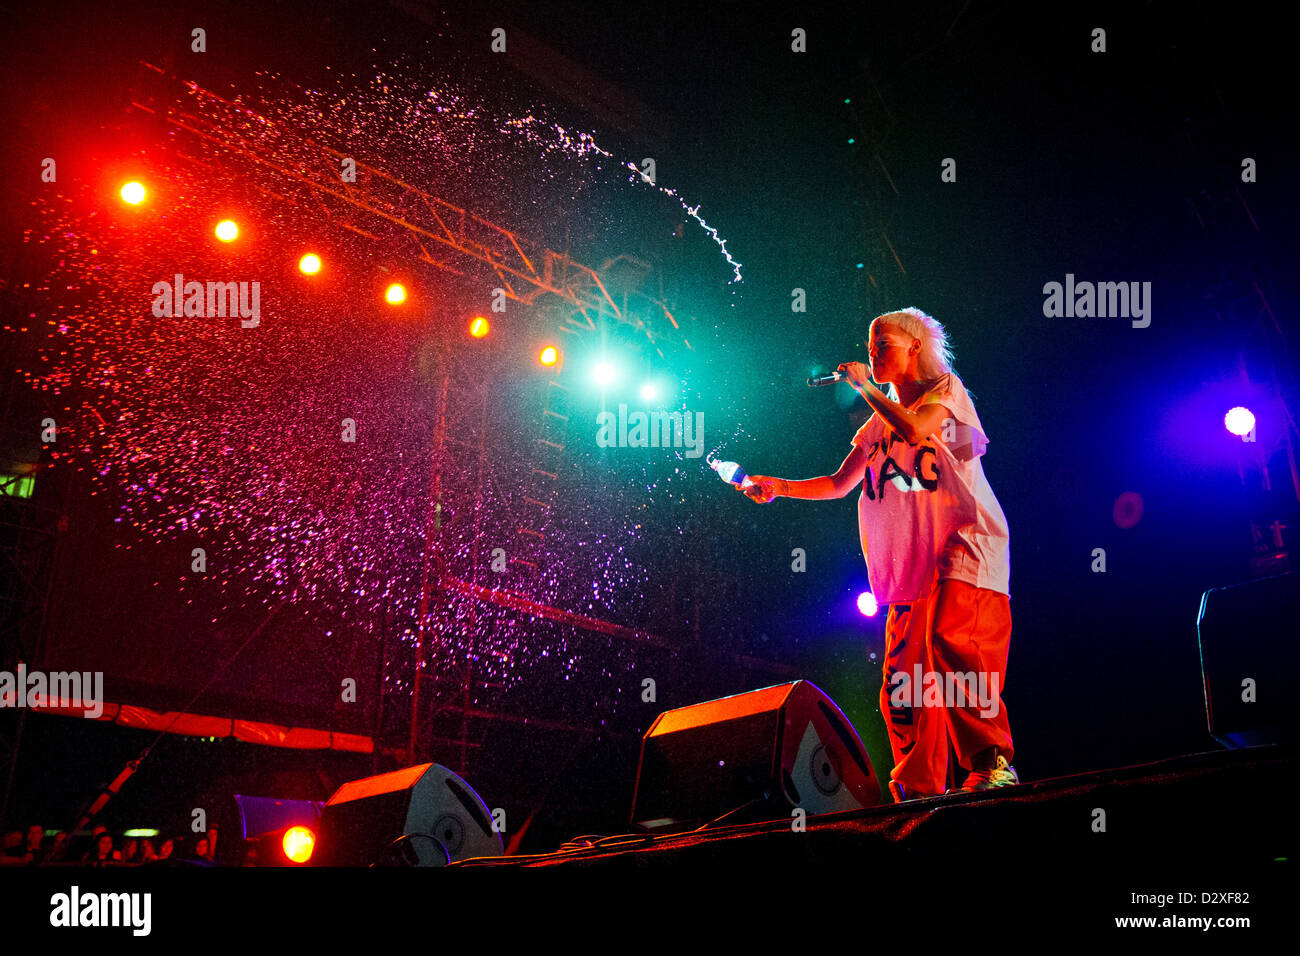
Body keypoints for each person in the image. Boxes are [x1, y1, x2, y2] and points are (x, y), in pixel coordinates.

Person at [745, 307, 1017, 801]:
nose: (872, 354)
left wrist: (868, 387)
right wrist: (778, 486)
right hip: (912, 558)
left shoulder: (945, 393)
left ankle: (991, 763)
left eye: (883, 345)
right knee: (904, 674)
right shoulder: (877, 425)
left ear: (915, 347)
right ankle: (918, 789)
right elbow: (837, 483)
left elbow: (917, 430)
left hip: (966, 541)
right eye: (870, 347)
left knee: (955, 641)